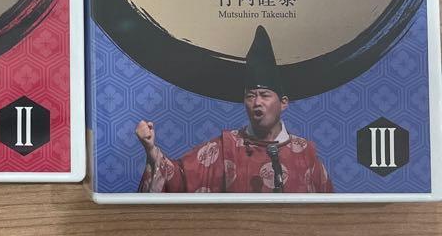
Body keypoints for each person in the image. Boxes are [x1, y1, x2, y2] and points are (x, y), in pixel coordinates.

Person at [135, 25, 333, 194]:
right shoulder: (225, 148)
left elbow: (328, 210)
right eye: (250, 96)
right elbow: (179, 179)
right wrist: (151, 150)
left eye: (264, 95)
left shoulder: (304, 154)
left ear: (283, 102)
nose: (257, 102)